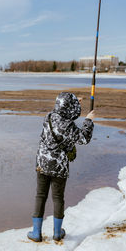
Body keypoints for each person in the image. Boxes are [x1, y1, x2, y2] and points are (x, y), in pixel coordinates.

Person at [27, 92, 95, 242]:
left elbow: (63, 114)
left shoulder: (49, 117)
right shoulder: (69, 125)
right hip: (59, 167)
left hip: (42, 163)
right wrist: (88, 121)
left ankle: (36, 233)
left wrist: (74, 102)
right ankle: (57, 233)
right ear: (69, 108)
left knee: (40, 196)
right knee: (58, 198)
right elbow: (84, 138)